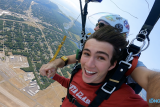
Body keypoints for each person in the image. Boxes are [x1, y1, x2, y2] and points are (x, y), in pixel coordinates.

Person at [40, 26, 152, 107]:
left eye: (101, 58)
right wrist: (52, 75)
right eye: (87, 54)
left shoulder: (121, 97)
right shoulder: (79, 72)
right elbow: (71, 85)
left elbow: (152, 90)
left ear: (112, 64)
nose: (89, 64)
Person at [47, 14, 145, 94]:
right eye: (97, 24)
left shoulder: (129, 64)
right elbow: (67, 59)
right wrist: (54, 64)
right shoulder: (91, 54)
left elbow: (150, 79)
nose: (95, 28)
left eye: (101, 25)